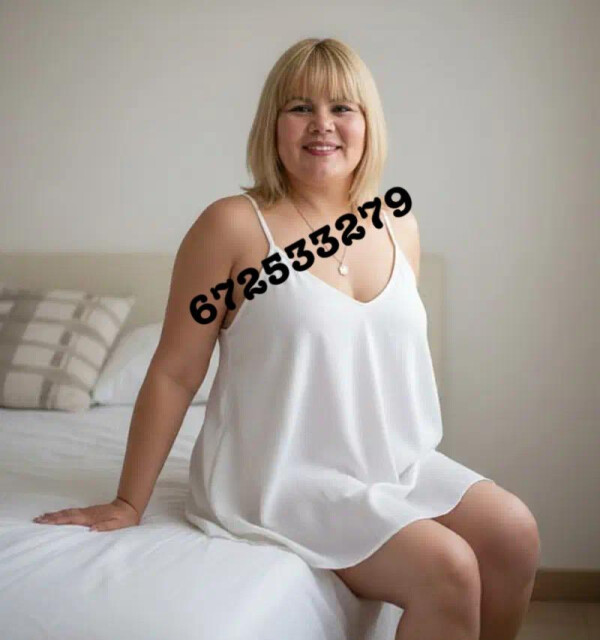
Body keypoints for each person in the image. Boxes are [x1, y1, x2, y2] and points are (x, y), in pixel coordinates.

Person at [33, 38, 540, 640]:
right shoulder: (230, 226)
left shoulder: (396, 221)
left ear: (368, 122)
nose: (322, 124)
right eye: (300, 107)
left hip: (387, 463)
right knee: (447, 568)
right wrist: (128, 502)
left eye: (342, 108)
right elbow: (175, 371)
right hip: (279, 476)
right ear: (272, 124)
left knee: (514, 531)